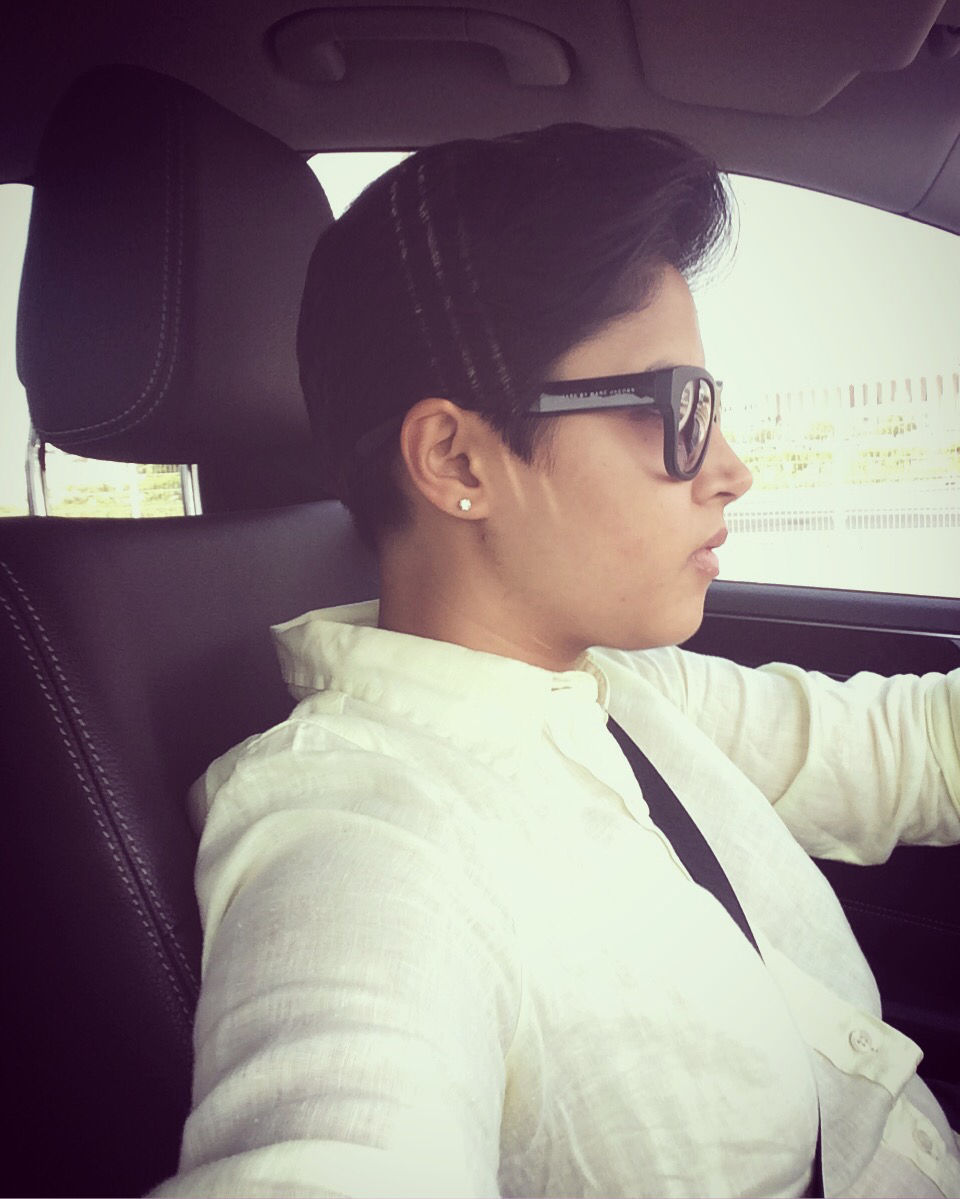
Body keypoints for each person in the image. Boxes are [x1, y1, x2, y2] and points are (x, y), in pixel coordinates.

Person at [153, 125, 960, 1198]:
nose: (732, 469)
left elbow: (912, 749)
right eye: (678, 409)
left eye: (713, 407)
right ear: (458, 460)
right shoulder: (361, 836)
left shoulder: (624, 691)